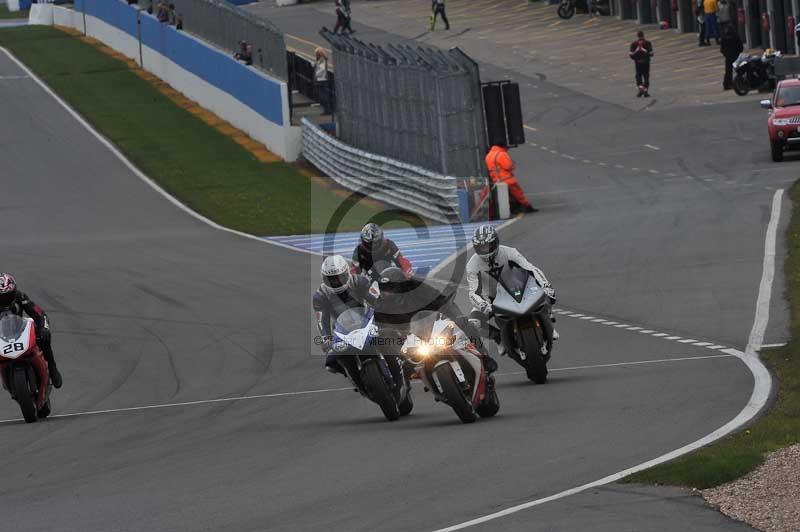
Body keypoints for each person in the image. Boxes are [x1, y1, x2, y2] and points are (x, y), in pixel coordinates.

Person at [375, 267, 497, 373]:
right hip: (411, 336)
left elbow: (441, 301)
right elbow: (382, 328)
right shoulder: (380, 305)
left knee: (464, 322)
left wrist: (454, 317)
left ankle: (485, 357)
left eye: (391, 288)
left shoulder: (417, 287)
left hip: (434, 322)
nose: (387, 292)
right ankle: (399, 382)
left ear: (401, 285)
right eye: (384, 288)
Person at [466, 226, 558, 358]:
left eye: (488, 246)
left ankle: (548, 319)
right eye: (481, 247)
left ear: (496, 242)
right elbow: (473, 291)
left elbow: (530, 268)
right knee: (473, 323)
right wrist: (482, 305)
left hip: (515, 288)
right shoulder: (472, 264)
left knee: (547, 295)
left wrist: (545, 285)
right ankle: (498, 338)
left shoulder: (509, 252)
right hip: (491, 298)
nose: (485, 251)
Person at [312, 255, 377, 373]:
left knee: (392, 340)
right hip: (341, 329)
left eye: (340, 278)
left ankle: (400, 371)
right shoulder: (320, 296)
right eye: (331, 279)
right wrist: (326, 338)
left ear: (347, 273)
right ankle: (355, 379)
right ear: (324, 278)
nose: (336, 282)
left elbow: (376, 301)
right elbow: (322, 321)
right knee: (331, 362)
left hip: (366, 320)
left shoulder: (359, 281)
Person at [0, 274, 62, 388]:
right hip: (1, 338)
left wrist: (43, 328)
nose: (3, 301)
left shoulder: (20, 297)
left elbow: (39, 314)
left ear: (13, 292)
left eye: (6, 297)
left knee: (45, 335)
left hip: (20, 331)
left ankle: (52, 367)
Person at [485, 144, 537, 214]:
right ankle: (528, 207)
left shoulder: (488, 156)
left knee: (503, 197)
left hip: (496, 180)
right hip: (507, 179)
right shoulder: (501, 154)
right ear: (502, 146)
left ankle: (510, 209)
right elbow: (508, 166)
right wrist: (512, 164)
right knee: (519, 194)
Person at [629, 30, 653, 97]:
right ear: (643, 35)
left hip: (638, 63)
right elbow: (651, 53)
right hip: (646, 63)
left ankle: (640, 88)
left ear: (637, 35)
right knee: (646, 77)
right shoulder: (648, 43)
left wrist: (635, 58)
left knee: (638, 76)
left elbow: (631, 55)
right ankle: (645, 91)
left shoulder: (633, 44)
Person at [720, 24, 743, 90]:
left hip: (728, 57)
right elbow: (740, 46)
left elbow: (722, 49)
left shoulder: (724, 38)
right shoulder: (735, 36)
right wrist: (739, 52)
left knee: (728, 71)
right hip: (735, 56)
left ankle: (727, 84)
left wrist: (726, 54)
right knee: (739, 70)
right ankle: (740, 83)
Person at [314, 48, 333, 115]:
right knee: (323, 96)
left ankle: (328, 110)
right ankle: (327, 109)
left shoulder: (321, 60)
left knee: (323, 96)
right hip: (321, 80)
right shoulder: (320, 60)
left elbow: (320, 71)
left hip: (321, 81)